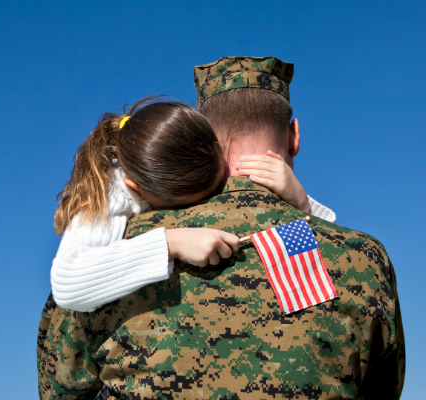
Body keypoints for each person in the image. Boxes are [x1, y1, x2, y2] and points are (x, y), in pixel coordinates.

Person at [38, 56, 405, 400]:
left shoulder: (109, 257)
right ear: (294, 136)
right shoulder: (362, 258)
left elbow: (61, 387)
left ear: (198, 137)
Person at [51, 97, 334, 313]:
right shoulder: (113, 192)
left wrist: (300, 202)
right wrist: (171, 242)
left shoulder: (180, 150)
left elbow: (335, 241)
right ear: (138, 190)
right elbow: (67, 285)